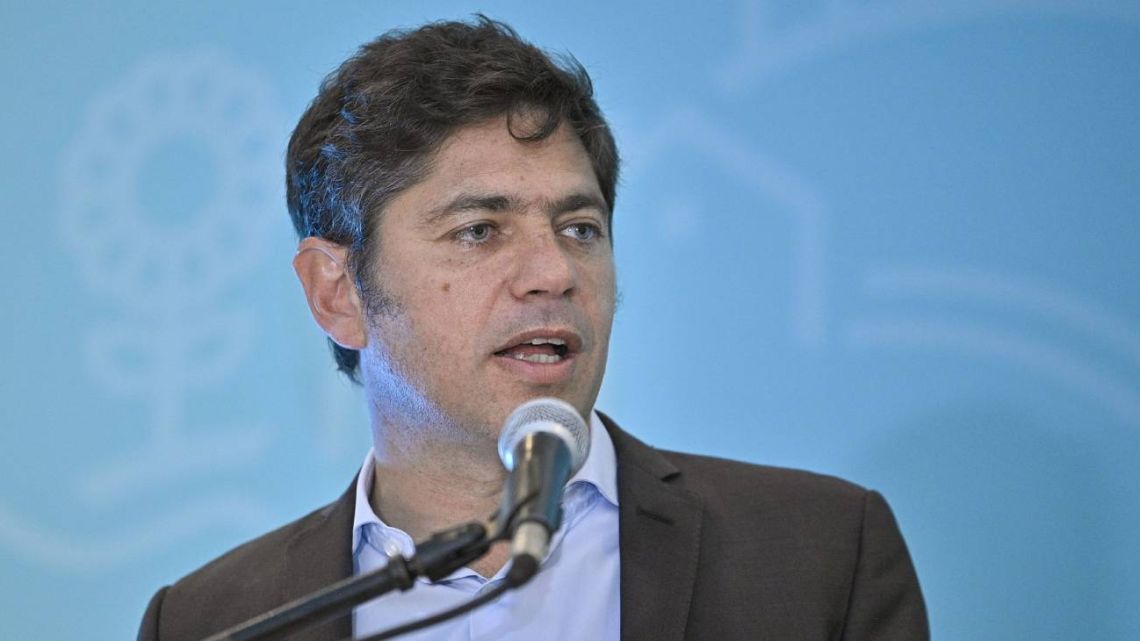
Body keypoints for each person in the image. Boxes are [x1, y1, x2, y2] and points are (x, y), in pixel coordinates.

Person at [138, 16, 928, 641]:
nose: (554, 273)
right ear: (337, 292)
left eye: (580, 227)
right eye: (480, 230)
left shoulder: (818, 552)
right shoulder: (214, 620)